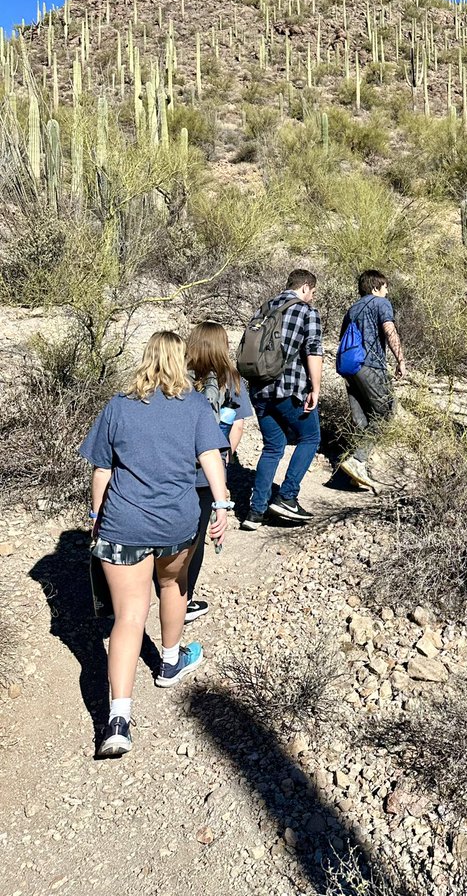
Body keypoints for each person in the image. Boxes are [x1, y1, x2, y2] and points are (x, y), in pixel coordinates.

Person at [79, 331, 229, 759]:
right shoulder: (197, 406)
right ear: (181, 361)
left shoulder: (119, 406)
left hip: (123, 524)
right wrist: (221, 506)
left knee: (127, 616)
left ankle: (118, 720)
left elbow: (101, 473)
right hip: (176, 523)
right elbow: (211, 459)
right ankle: (169, 661)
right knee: (172, 585)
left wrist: (95, 518)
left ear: (145, 359)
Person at [243, 268, 323, 529]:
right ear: (304, 288)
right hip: (288, 389)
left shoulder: (264, 309)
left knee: (273, 446)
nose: (312, 297)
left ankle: (256, 513)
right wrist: (316, 388)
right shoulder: (306, 311)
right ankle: (287, 496)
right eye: (312, 292)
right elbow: (313, 350)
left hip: (258, 389)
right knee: (311, 437)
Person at [184, 320, 253, 622]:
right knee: (196, 536)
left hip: (175, 464)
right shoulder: (232, 379)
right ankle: (182, 600)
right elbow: (237, 424)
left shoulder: (178, 376)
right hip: (207, 469)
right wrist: (224, 459)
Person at [337, 269, 406, 489]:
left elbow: (342, 340)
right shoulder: (380, 303)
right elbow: (389, 329)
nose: (387, 291)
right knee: (385, 412)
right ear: (376, 287)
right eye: (385, 286)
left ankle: (356, 472)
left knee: (363, 420)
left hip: (349, 368)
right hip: (371, 365)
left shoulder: (352, 309)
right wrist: (400, 359)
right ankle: (357, 461)